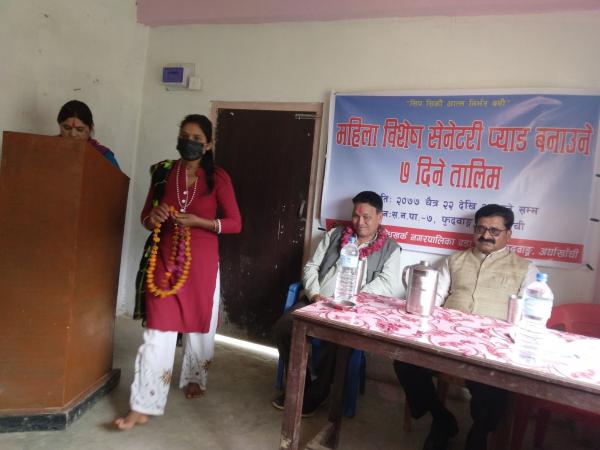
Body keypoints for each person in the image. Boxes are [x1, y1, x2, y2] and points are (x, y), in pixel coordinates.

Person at [115, 114, 241, 430]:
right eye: (185, 135)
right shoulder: (163, 172)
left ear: (208, 144)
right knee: (158, 330)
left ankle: (195, 377)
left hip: (201, 264)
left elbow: (235, 223)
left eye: (197, 138)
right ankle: (142, 404)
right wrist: (155, 216)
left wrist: (201, 222)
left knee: (200, 326)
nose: (190, 142)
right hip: (165, 259)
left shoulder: (218, 177)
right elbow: (146, 218)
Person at [394, 204, 537, 450]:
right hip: (445, 340)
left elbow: (528, 317)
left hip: (493, 346)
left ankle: (479, 432)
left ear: (508, 234)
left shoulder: (525, 269)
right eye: (481, 228)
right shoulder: (454, 261)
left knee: (495, 382)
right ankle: (441, 419)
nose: (486, 235)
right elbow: (433, 300)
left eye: (494, 231)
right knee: (404, 360)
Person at [272, 191, 402, 416]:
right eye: (356, 216)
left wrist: (352, 300)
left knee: (337, 339)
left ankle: (319, 392)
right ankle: (301, 385)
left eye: (367, 217)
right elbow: (311, 267)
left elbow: (386, 284)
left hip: (353, 311)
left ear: (380, 217)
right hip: (315, 302)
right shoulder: (334, 235)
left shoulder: (391, 249)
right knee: (284, 328)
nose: (359, 222)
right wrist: (314, 294)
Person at [56, 100, 120, 168]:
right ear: (60, 125)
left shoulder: (104, 156)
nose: (73, 134)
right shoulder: (49, 149)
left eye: (79, 129)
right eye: (67, 128)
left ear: (90, 129)